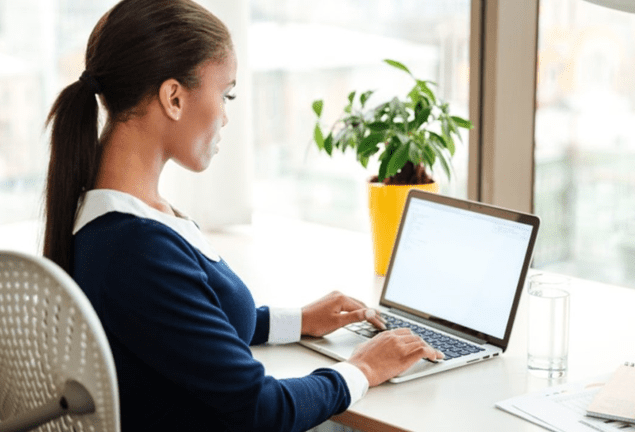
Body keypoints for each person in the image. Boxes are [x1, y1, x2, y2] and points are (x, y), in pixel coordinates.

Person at [43, 0, 443, 430]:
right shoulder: (137, 249)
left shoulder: (111, 215)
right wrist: (363, 368)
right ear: (173, 97)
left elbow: (187, 331)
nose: (226, 116)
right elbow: (262, 409)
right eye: (225, 93)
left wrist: (296, 321)